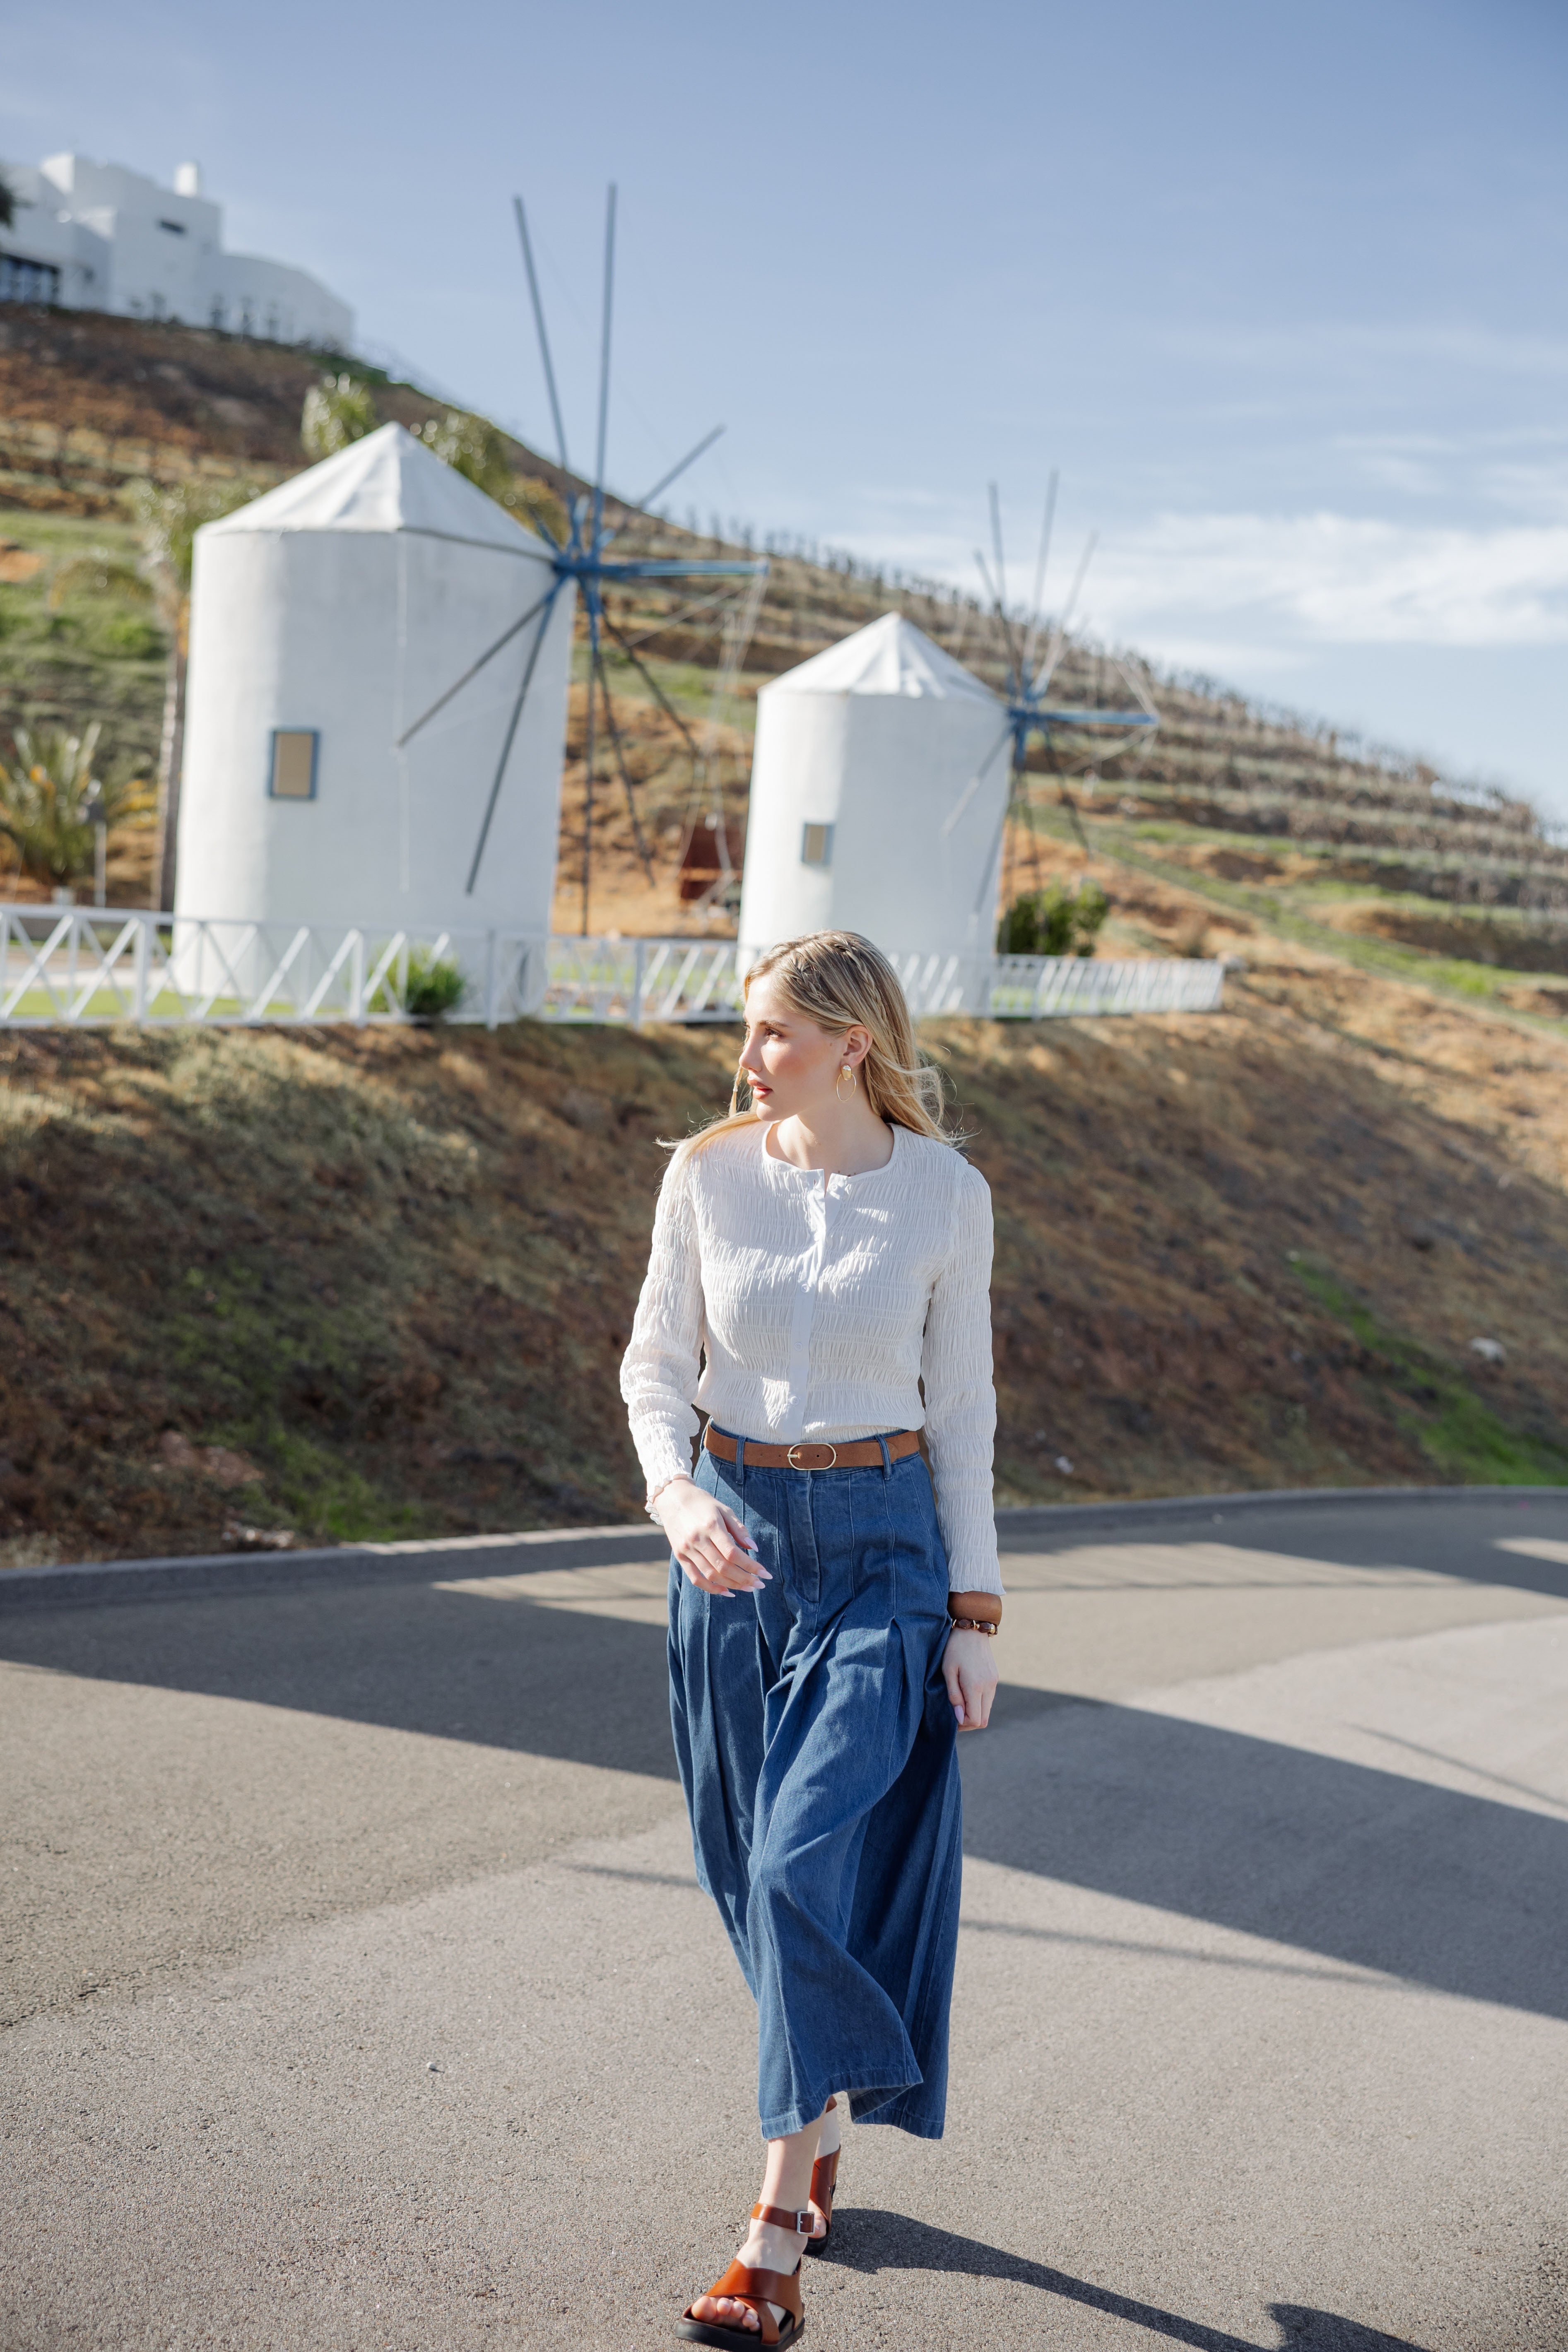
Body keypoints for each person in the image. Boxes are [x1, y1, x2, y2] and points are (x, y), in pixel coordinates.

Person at [621, 928, 1002, 2351]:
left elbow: (960, 1414)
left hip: (887, 1550)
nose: (748, 1054)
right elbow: (655, 1363)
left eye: (775, 1030)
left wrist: (973, 1612)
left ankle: (772, 2230)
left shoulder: (946, 1196)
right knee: (741, 1864)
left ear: (852, 1041)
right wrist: (675, 1498)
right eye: (748, 1027)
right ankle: (829, 2096)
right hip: (728, 1542)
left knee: (798, 1860)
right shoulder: (705, 1173)